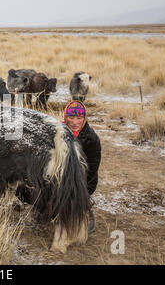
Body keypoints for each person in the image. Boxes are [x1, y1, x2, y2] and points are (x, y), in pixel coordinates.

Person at [63, 100, 102, 233]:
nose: (74, 122)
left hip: (82, 182)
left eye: (79, 118)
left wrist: (83, 193)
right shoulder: (58, 134)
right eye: (71, 117)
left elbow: (92, 171)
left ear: (84, 119)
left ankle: (85, 207)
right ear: (65, 117)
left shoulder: (92, 140)